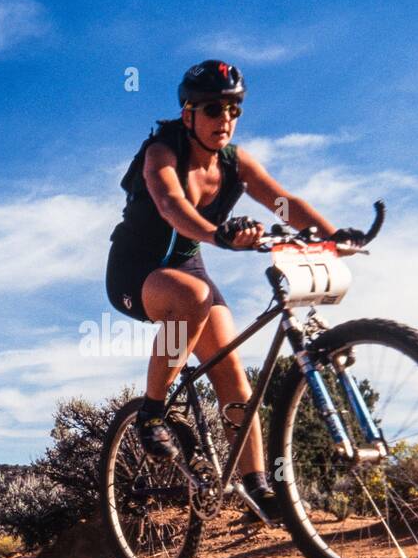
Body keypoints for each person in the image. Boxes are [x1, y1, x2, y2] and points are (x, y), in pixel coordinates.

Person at [105, 60, 366, 521]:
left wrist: (334, 238)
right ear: (188, 113)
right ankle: (151, 412)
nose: (224, 119)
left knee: (234, 377)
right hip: (136, 268)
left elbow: (285, 203)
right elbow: (171, 206)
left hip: (188, 264)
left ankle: (258, 488)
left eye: (234, 109)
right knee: (191, 298)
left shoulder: (235, 162)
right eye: (212, 109)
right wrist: (219, 234)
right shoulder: (161, 152)